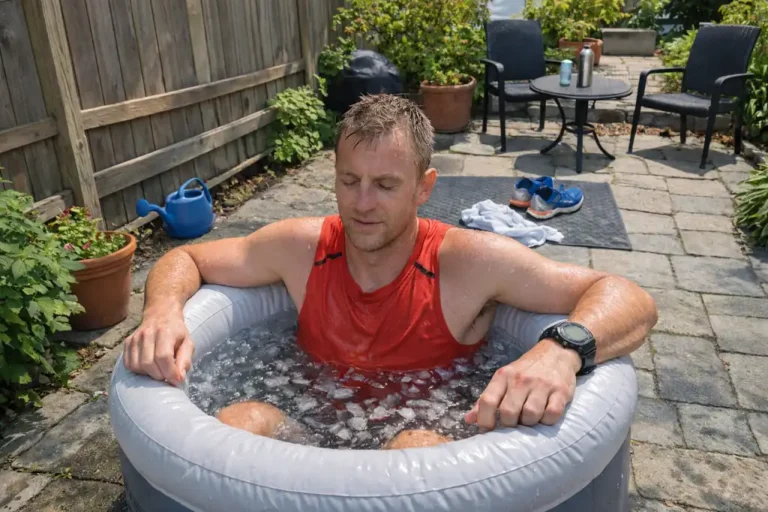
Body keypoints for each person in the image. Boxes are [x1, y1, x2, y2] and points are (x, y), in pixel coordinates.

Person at [123, 94, 657, 449]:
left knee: (413, 450)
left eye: (385, 184)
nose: (362, 202)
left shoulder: (467, 261)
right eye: (349, 180)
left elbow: (625, 295)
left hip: (426, 445)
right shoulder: (302, 248)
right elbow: (186, 256)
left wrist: (561, 349)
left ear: (424, 188)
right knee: (238, 424)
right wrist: (164, 310)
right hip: (309, 437)